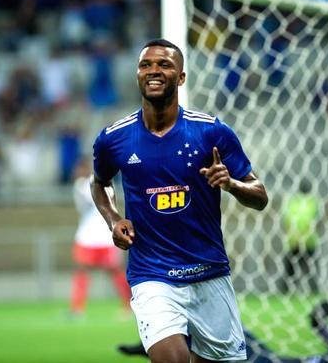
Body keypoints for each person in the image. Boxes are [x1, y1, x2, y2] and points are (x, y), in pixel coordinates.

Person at [90, 38, 269, 363]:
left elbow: (260, 196)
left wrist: (230, 184)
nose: (153, 71)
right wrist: (114, 219)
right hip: (152, 275)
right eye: (146, 65)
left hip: (209, 273)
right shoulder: (114, 139)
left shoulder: (211, 132)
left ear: (182, 77)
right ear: (138, 75)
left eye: (164, 65)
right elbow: (99, 183)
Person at [117, 301, 328, 363]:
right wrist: (326, 312)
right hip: (271, 359)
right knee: (228, 332)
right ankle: (152, 345)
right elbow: (316, 323)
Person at [70, 159, 130, 316]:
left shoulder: (102, 181)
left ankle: (129, 305)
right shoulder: (80, 185)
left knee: (115, 271)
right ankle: (77, 308)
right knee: (81, 270)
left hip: (105, 236)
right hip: (87, 236)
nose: (77, 172)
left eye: (80, 169)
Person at [282, 178, 320, 292]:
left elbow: (287, 222)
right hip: (308, 241)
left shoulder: (293, 202)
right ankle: (313, 291)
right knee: (309, 269)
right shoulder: (313, 202)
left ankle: (287, 291)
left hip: (295, 241)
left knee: (292, 269)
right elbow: (316, 222)